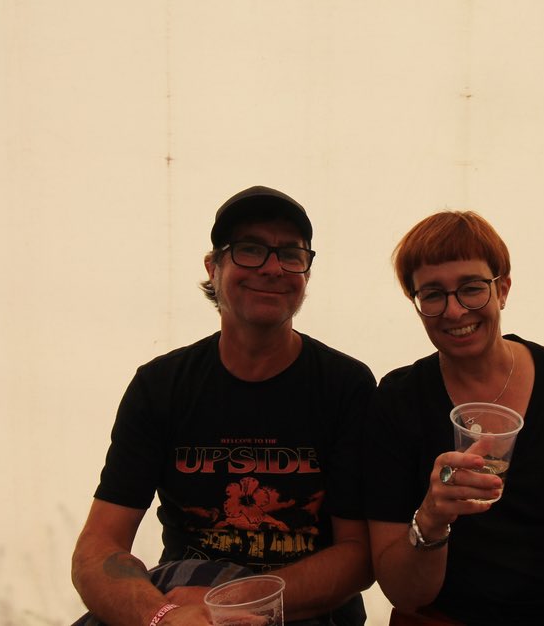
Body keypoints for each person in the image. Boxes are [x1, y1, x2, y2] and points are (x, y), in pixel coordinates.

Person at [72, 186, 376, 626]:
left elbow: (358, 554)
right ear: (213, 268)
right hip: (182, 604)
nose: (272, 267)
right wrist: (161, 617)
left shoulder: (346, 386)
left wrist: (231, 600)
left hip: (299, 612)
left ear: (307, 273)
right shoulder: (161, 385)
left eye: (291, 254)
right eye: (250, 250)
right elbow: (98, 546)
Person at [364, 210, 544, 626]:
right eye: (432, 294)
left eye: (471, 289)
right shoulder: (398, 399)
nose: (454, 311)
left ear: (502, 290)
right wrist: (431, 519)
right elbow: (406, 595)